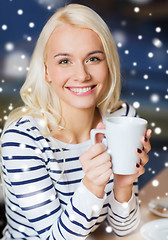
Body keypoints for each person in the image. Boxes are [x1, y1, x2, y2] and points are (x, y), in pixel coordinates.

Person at [0, 4, 152, 240]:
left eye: (93, 58)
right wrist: (91, 185)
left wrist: (124, 183)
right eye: (64, 61)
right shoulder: (23, 140)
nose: (82, 75)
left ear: (109, 64)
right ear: (46, 71)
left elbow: (124, 229)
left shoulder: (122, 120)